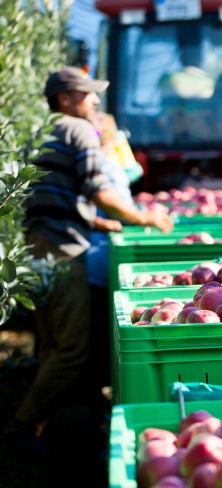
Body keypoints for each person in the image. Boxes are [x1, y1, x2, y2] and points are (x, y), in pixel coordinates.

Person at [4, 66, 173, 438]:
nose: (95, 100)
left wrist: (96, 223)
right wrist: (145, 218)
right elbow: (101, 191)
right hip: (64, 251)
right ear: (65, 99)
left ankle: (45, 425)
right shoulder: (79, 129)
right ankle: (20, 425)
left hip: (34, 248)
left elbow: (50, 196)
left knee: (50, 342)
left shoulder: (39, 132)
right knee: (71, 350)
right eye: (87, 94)